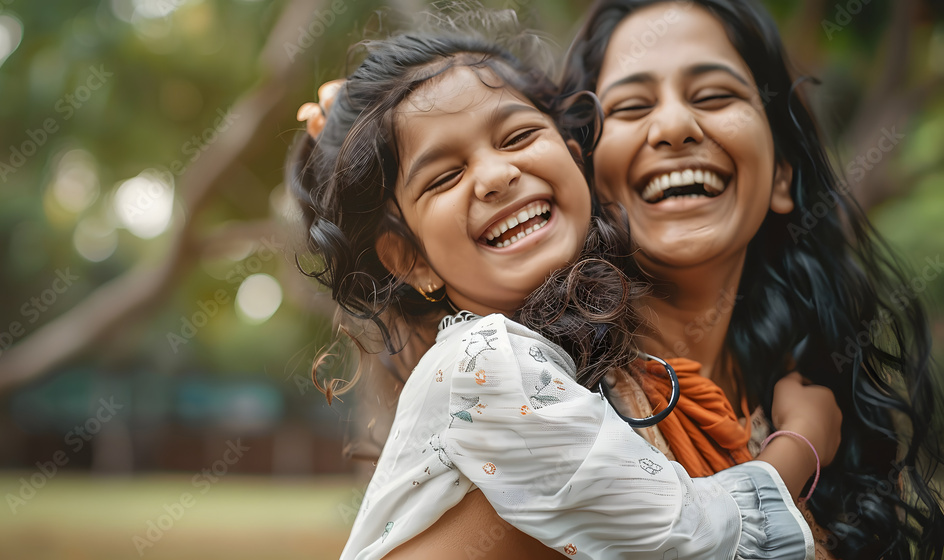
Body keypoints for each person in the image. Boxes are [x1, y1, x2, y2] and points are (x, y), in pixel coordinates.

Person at [289, 18, 840, 559]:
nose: (496, 175)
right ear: (411, 260)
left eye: (519, 136)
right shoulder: (484, 364)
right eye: (444, 176)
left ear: (575, 161)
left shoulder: (583, 365)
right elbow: (681, 538)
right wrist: (802, 445)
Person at [561, 1, 944, 558]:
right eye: (632, 105)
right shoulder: (546, 400)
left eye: (715, 95)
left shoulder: (822, 408)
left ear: (782, 174)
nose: (672, 127)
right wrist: (797, 454)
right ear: (586, 177)